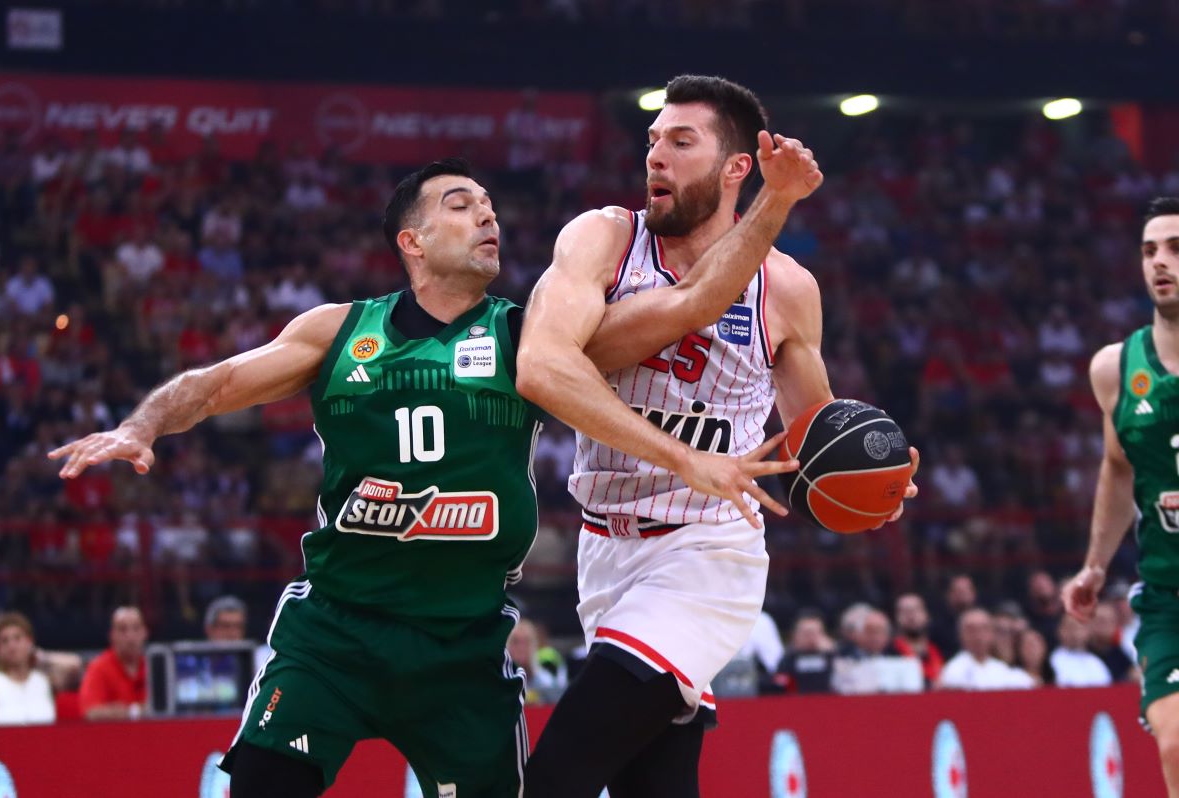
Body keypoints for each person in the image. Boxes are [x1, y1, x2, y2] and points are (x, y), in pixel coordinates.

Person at [50, 157, 799, 798]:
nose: (487, 216)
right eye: (461, 204)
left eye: (490, 206)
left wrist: (770, 204)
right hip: (337, 631)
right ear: (411, 240)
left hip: (463, 648)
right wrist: (140, 425)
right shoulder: (341, 329)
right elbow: (212, 383)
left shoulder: (528, 339)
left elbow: (690, 303)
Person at [516, 74, 917, 797]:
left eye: (681, 141)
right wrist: (685, 457)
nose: (655, 156)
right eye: (652, 140)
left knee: (557, 771)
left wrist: (870, 480)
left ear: (737, 167)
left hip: (707, 550)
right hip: (604, 549)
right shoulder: (604, 238)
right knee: (653, 784)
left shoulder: (786, 288)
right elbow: (542, 368)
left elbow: (812, 438)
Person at [1062, 196, 1179, 798]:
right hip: (1168, 594)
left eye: (1175, 249)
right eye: (1150, 250)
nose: (1160, 262)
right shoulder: (1115, 367)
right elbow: (1117, 468)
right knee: (1176, 742)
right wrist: (1095, 567)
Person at [0, 611, 80, 725]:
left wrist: (41, 656)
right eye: (4, 641)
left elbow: (74, 664)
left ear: (29, 641)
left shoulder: (45, 681)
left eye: (17, 638)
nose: (12, 646)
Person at [78, 605, 148, 721]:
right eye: (123, 629)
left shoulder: (154, 667)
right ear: (112, 635)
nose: (130, 637)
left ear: (145, 633)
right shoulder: (99, 667)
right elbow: (90, 712)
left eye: (136, 629)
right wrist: (134, 711)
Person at [938, 608, 1034, 691]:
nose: (978, 636)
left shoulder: (1000, 668)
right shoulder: (953, 670)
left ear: (992, 633)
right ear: (961, 635)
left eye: (984, 629)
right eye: (971, 630)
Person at [774, 611, 836, 695]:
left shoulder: (833, 657)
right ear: (795, 635)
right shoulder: (787, 660)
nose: (811, 638)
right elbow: (779, 683)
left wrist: (834, 653)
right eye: (806, 633)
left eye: (815, 633)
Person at [892, 593, 944, 689]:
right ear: (897, 617)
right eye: (905, 611)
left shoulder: (941, 648)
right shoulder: (890, 653)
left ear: (927, 615)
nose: (911, 616)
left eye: (916, 610)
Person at [1050, 614, 1112, 688]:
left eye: (1080, 627)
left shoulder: (1095, 661)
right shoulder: (1053, 660)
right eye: (1070, 627)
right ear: (1060, 630)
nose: (1075, 632)